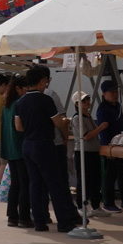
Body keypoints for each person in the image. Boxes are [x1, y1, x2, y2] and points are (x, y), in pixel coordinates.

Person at [14, 65, 80, 233]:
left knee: (35, 184)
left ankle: (39, 222)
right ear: (42, 81)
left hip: (28, 144)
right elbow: (58, 123)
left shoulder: (20, 102)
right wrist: (64, 126)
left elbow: (18, 127)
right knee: (54, 184)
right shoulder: (46, 100)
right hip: (44, 144)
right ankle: (64, 222)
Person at [89, 79, 123, 212]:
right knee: (111, 176)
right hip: (111, 148)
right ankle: (109, 202)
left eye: (116, 91)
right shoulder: (103, 109)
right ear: (104, 94)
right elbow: (103, 130)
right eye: (112, 92)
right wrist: (108, 149)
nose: (115, 94)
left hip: (121, 146)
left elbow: (121, 124)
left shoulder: (118, 106)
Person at [70, 93, 107, 215]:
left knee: (95, 179)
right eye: (83, 100)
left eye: (88, 99)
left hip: (93, 151)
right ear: (76, 104)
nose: (87, 102)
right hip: (83, 152)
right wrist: (100, 128)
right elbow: (85, 136)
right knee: (83, 180)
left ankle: (96, 206)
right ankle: (81, 206)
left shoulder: (88, 116)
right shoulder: (77, 118)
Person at [2, 76, 30, 227]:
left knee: (15, 184)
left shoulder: (6, 105)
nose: (27, 91)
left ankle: (12, 216)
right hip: (20, 147)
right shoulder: (19, 104)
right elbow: (20, 127)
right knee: (24, 184)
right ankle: (24, 217)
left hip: (9, 148)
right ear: (18, 88)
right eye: (25, 88)